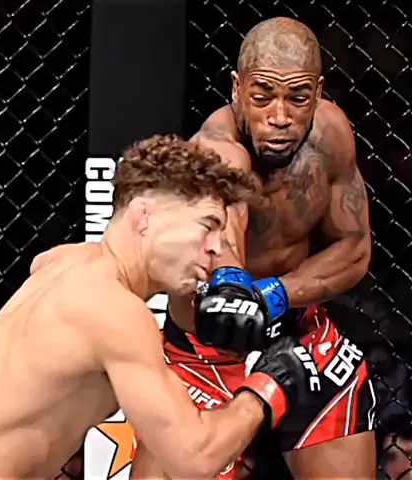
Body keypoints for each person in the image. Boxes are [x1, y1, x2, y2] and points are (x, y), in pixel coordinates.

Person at [0, 134, 325, 480]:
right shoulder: (115, 311)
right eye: (207, 225)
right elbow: (195, 458)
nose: (216, 249)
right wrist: (268, 387)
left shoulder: (67, 263)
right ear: (143, 216)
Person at [132, 17, 377, 480]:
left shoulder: (331, 136)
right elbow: (226, 219)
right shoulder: (214, 149)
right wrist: (231, 284)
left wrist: (273, 295)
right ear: (237, 88)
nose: (280, 117)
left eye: (297, 98)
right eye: (263, 96)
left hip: (299, 334)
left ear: (318, 92)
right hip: (206, 351)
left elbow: (355, 246)